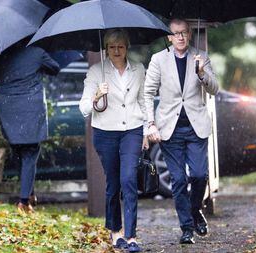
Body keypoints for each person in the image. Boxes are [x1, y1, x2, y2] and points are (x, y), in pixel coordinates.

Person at [144, 19, 218, 244]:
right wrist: (150, 123)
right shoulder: (158, 59)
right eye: (175, 34)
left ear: (189, 34)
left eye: (184, 33)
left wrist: (202, 73)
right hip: (169, 129)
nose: (180, 37)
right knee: (177, 180)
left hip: (196, 127)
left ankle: (195, 211)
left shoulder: (201, 56)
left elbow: (215, 89)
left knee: (198, 175)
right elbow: (147, 93)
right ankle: (186, 227)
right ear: (169, 36)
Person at [79, 29, 148, 252]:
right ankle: (115, 230)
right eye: (111, 47)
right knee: (114, 183)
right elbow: (83, 108)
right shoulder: (96, 71)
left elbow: (143, 101)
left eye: (120, 46)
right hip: (105, 132)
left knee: (129, 179)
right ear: (106, 49)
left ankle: (131, 236)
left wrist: (146, 130)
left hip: (132, 130)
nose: (116, 51)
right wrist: (96, 96)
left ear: (127, 47)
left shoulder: (138, 69)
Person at [0, 38, 60, 214]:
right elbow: (55, 68)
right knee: (29, 153)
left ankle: (29, 194)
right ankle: (24, 202)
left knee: (20, 152)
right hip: (29, 107)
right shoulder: (36, 52)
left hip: (8, 108)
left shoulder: (0, 53)